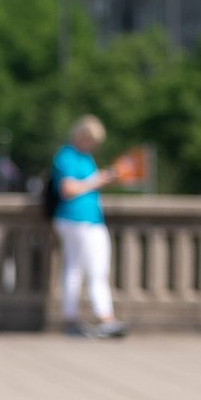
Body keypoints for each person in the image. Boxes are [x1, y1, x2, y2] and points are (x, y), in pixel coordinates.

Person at [51, 115, 127, 340]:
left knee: (78, 268)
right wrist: (98, 180)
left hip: (89, 218)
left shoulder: (84, 157)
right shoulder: (66, 156)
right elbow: (68, 189)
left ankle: (75, 317)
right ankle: (102, 317)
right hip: (76, 219)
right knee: (90, 268)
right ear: (81, 136)